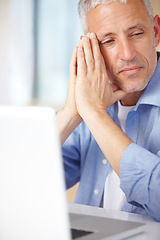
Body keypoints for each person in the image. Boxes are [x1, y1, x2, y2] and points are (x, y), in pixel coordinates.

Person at [56, 0, 160, 221]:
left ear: (156, 32)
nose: (126, 53)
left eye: (136, 34)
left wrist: (95, 115)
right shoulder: (89, 103)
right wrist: (70, 114)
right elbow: (16, 183)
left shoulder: (92, 108)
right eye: (109, 41)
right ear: (90, 50)